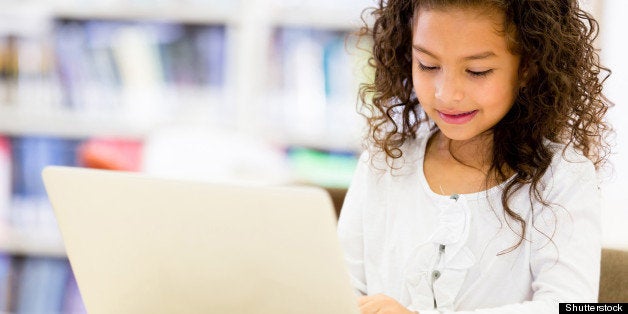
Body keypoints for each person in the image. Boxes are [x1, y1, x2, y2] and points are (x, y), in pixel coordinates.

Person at [337, 0, 612, 313]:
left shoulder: (563, 177)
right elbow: (339, 287)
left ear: (528, 67)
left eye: (476, 71)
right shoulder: (385, 160)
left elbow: (569, 305)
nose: (446, 93)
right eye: (427, 65)